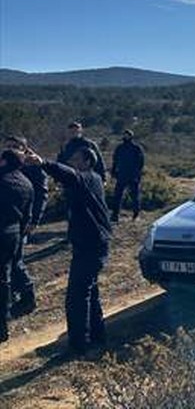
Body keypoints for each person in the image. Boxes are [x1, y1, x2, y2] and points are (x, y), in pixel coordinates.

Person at [26, 146, 112, 356]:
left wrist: (43, 163)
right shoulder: (91, 180)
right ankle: (97, 335)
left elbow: (69, 175)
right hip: (92, 242)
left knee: (76, 296)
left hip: (91, 244)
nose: (72, 162)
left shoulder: (87, 178)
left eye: (76, 159)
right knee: (90, 291)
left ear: (87, 162)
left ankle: (78, 345)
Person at [4, 135, 48, 318]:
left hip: (22, 222)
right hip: (8, 222)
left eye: (16, 146)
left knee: (16, 261)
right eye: (8, 147)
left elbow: (41, 196)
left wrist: (34, 221)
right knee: (10, 263)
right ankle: (12, 295)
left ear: (24, 148)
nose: (12, 149)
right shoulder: (8, 166)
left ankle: (28, 295)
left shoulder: (34, 168)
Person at [0, 149, 33, 344]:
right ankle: (2, 325)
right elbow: (27, 214)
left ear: (4, 162)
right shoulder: (26, 183)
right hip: (13, 235)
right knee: (4, 278)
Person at [110, 129, 145, 222]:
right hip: (121, 175)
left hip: (133, 175)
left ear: (131, 136)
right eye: (125, 135)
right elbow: (115, 160)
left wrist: (138, 174)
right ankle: (115, 215)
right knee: (118, 195)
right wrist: (113, 172)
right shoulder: (119, 148)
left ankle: (136, 214)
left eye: (128, 135)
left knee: (135, 196)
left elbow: (141, 162)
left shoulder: (136, 148)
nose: (126, 136)